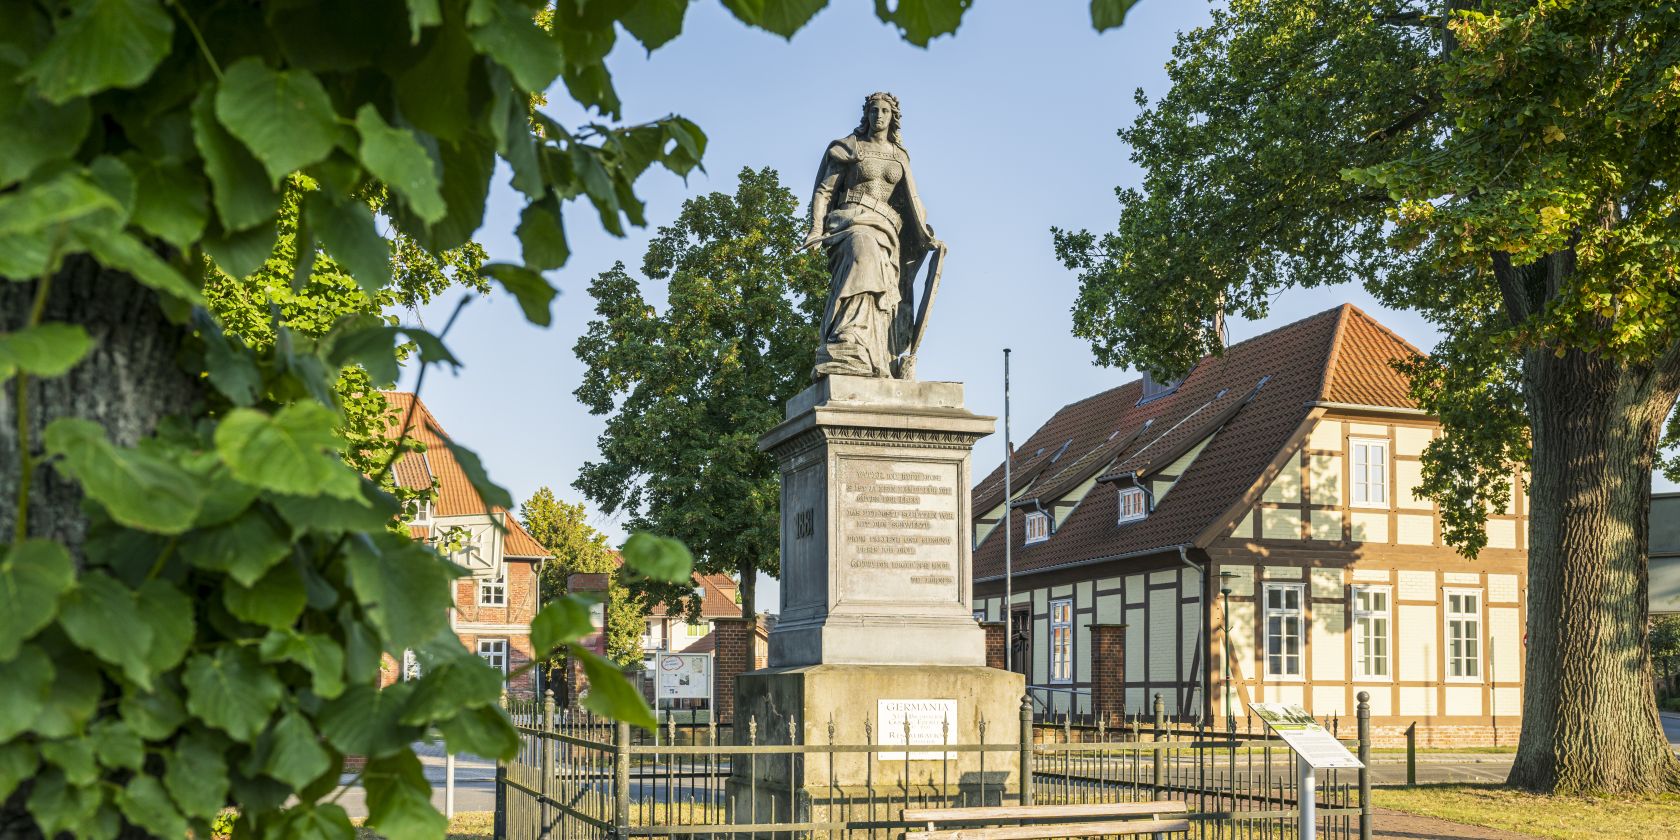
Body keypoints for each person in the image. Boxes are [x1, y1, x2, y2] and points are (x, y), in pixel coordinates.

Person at [806, 92, 941, 379]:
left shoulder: (899, 156)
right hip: (851, 220)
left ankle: (872, 352)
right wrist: (816, 228)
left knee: (883, 287)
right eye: (874, 110)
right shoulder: (849, 148)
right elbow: (824, 191)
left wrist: (926, 235)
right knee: (862, 250)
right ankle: (848, 334)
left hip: (887, 228)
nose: (879, 116)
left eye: (884, 111)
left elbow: (912, 200)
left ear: (893, 118)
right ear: (866, 115)